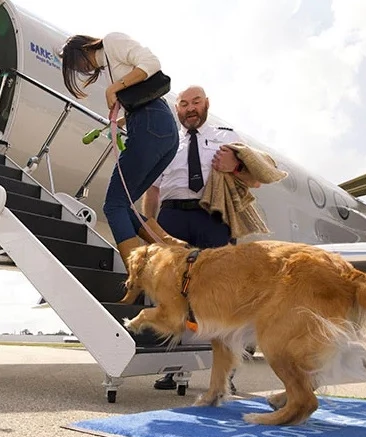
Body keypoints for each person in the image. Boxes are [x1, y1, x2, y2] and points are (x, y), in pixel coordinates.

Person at [142, 86, 255, 391]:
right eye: (183, 104)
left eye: (195, 102)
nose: (190, 108)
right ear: (176, 109)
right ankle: (171, 367)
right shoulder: (165, 141)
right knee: (170, 293)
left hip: (213, 218)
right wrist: (150, 228)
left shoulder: (227, 135)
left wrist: (236, 166)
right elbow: (152, 190)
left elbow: (255, 178)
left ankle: (226, 374)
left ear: (207, 104)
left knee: (223, 295)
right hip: (172, 217)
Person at [58, 33, 185, 270]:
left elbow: (152, 64)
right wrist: (119, 122)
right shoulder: (108, 63)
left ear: (81, 49)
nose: (81, 69)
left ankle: (136, 275)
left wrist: (115, 88)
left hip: (150, 124)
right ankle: (175, 250)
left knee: (113, 205)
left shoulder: (112, 41)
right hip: (162, 130)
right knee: (124, 205)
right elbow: (140, 99)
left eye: (76, 63)